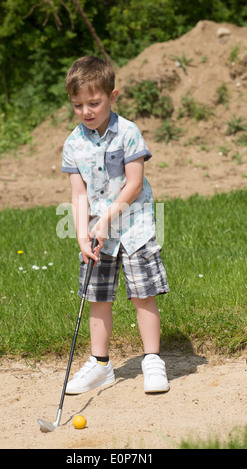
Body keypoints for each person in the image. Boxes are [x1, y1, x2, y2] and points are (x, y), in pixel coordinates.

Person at [61, 56, 170, 394]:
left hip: (136, 227)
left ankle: (152, 360)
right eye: (78, 105)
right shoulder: (72, 145)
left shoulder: (129, 132)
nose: (86, 111)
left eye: (94, 102)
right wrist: (82, 236)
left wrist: (107, 219)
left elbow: (134, 184)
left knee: (143, 293)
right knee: (97, 297)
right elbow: (78, 196)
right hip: (97, 236)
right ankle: (100, 365)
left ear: (112, 95)